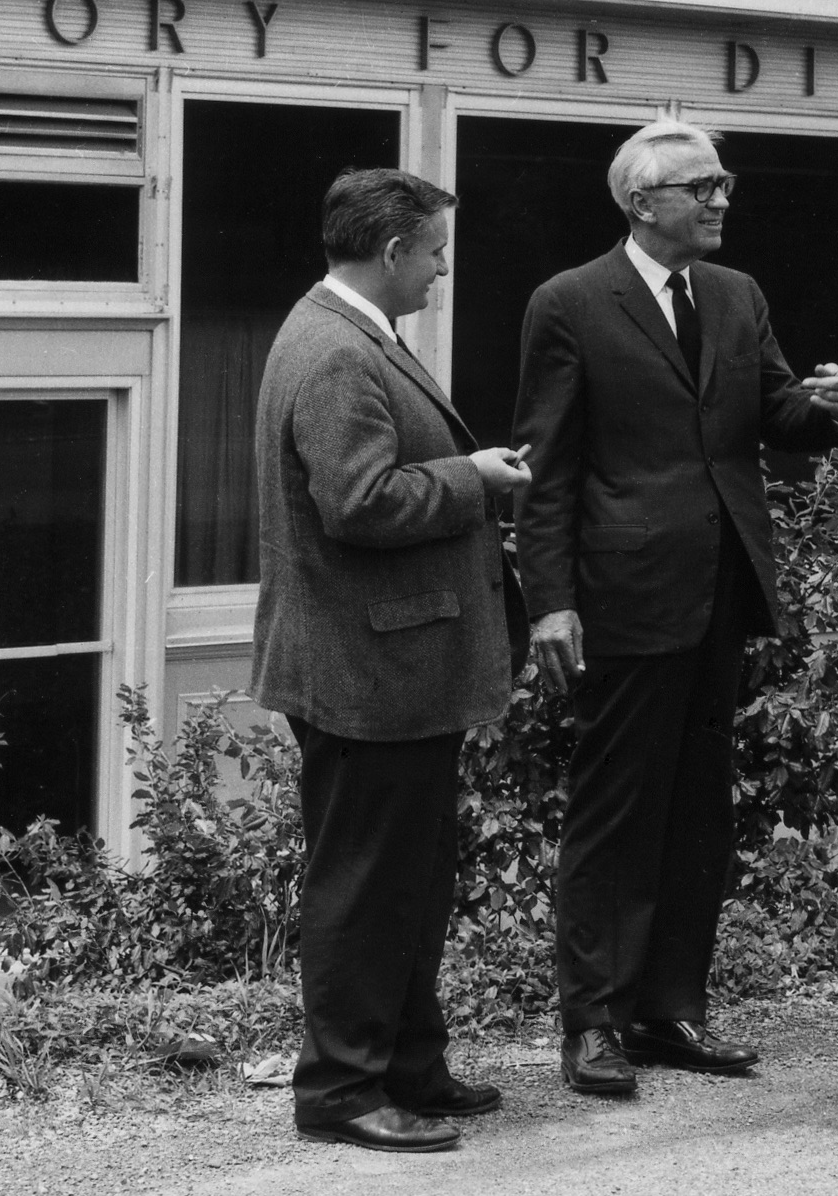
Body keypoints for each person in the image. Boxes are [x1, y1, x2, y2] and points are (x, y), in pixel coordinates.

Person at [512, 118, 838, 1096]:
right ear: (639, 201)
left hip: (722, 593)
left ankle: (667, 1011)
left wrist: (827, 409)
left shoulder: (736, 294)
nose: (720, 200)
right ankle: (591, 1024)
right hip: (622, 600)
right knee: (614, 812)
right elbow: (548, 468)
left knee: (696, 811)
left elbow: (775, 411)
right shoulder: (570, 304)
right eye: (700, 187)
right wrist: (550, 603)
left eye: (722, 184)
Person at [249, 166, 534, 1154]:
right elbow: (359, 504)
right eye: (435, 250)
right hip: (365, 669)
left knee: (406, 876)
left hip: (384, 663)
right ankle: (341, 1090)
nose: (443, 269)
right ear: (389, 251)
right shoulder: (336, 353)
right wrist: (474, 479)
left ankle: (407, 1065)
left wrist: (461, 475)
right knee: (367, 881)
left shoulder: (344, 334)